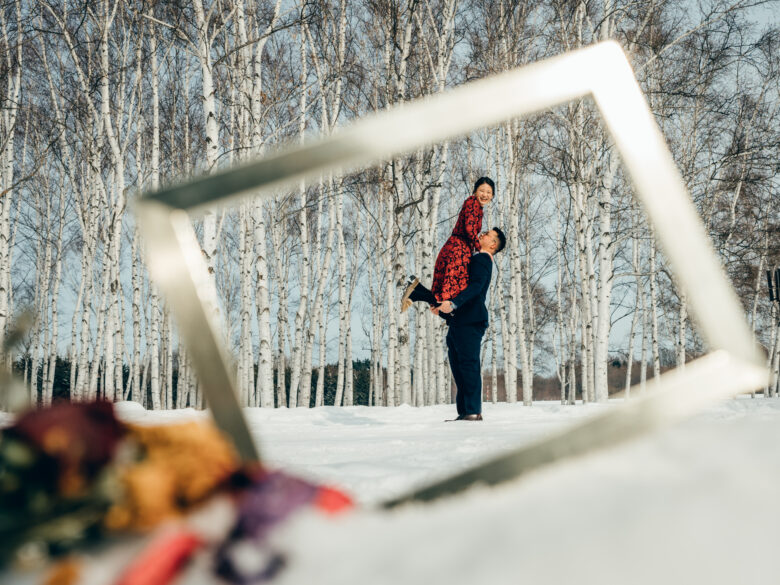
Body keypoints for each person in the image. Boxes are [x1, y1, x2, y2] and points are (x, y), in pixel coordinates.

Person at [436, 228, 506, 421]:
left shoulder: (483, 259)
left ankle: (473, 411)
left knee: (468, 365)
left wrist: (453, 303)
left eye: (487, 235)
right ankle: (465, 412)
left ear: (493, 245)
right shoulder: (476, 257)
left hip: (471, 320)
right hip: (460, 320)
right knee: (458, 367)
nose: (481, 234)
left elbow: (475, 287)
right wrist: (443, 307)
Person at [400, 177, 494, 314]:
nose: (485, 195)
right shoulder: (473, 202)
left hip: (458, 248)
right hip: (458, 250)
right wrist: (479, 250)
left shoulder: (478, 208)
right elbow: (469, 229)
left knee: (449, 295)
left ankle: (416, 291)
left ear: (492, 195)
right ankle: (416, 291)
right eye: (482, 190)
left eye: (489, 192)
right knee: (454, 295)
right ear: (475, 191)